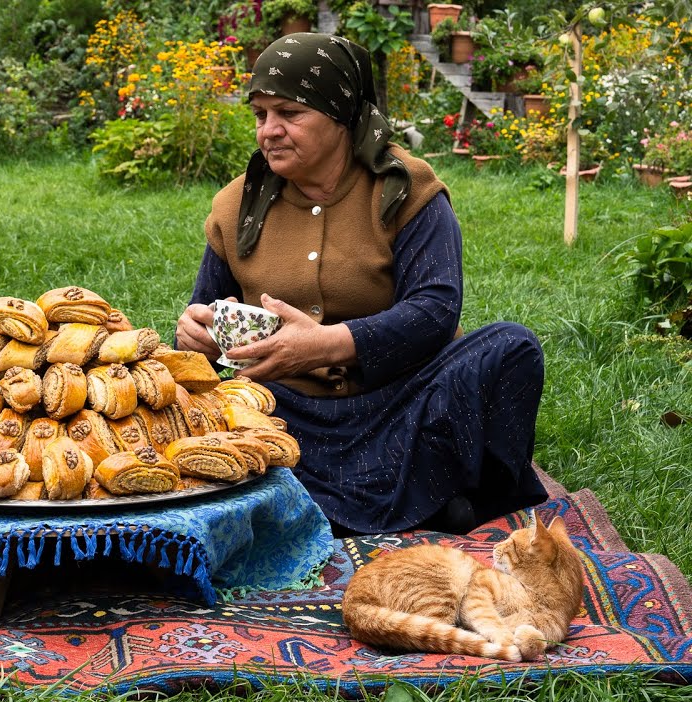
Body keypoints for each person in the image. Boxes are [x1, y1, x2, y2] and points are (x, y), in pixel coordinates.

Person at [175, 33, 546, 536]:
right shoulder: (235, 206)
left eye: (289, 113)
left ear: (340, 114)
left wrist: (325, 345)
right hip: (288, 416)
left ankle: (340, 504)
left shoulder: (407, 190)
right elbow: (204, 314)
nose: (270, 131)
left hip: (397, 408)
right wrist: (194, 335)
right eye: (260, 116)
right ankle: (423, 505)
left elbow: (436, 310)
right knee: (208, 413)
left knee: (511, 347)